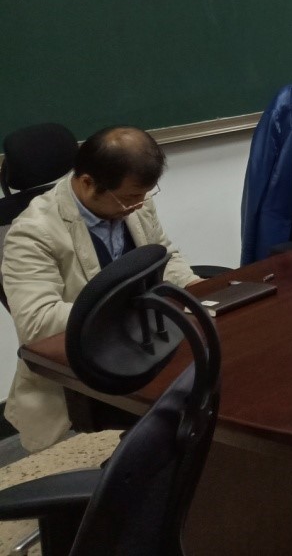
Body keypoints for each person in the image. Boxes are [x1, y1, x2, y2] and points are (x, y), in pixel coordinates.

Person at [2, 126, 200, 451]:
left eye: (145, 194)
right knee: (192, 399)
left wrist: (193, 286)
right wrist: (128, 312)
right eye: (130, 197)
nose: (139, 204)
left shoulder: (133, 203)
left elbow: (163, 253)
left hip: (143, 343)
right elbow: (37, 322)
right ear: (87, 183)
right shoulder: (33, 232)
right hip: (85, 365)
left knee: (214, 375)